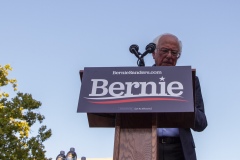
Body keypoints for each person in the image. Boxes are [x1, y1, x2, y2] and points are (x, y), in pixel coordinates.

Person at [152, 33, 208, 160]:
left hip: (180, 150)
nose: (169, 56)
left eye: (174, 53)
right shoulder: (139, 80)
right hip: (144, 146)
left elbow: (202, 123)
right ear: (153, 53)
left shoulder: (189, 81)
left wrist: (185, 103)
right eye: (165, 51)